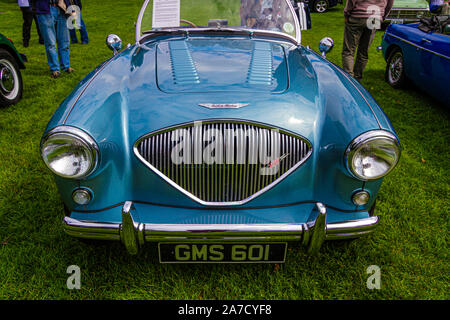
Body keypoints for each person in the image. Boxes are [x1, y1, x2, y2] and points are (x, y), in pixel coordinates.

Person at [342, 0, 394, 82]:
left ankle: (349, 80)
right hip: (375, 17)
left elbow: (351, 2)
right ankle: (357, 78)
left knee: (349, 50)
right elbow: (390, 4)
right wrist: (382, 16)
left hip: (358, 15)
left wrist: (347, 14)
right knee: (363, 51)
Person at [32, 0, 74, 78]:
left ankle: (66, 66)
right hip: (45, 9)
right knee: (50, 43)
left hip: (61, 8)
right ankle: (55, 69)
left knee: (64, 41)